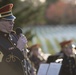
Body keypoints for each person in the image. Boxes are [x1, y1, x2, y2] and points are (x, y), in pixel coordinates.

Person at [0, 3, 28, 75]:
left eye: (12, 20)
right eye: (8, 20)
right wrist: (18, 49)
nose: (12, 23)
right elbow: (3, 66)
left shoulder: (14, 36)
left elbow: (23, 62)